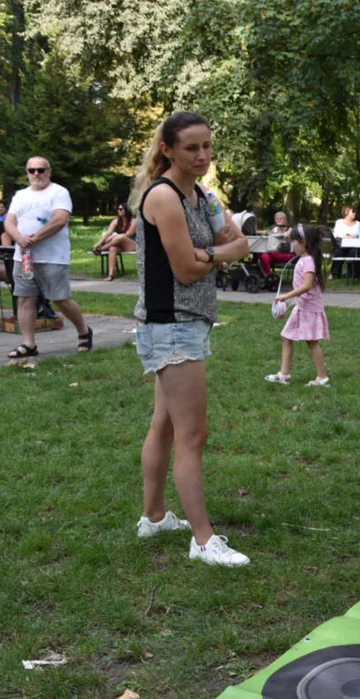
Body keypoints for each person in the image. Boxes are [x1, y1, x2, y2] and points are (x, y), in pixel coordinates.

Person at [130, 111, 252, 567]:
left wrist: (218, 247)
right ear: (167, 149)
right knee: (192, 435)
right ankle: (203, 540)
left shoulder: (200, 194)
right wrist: (220, 254)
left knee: (164, 425)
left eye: (207, 147)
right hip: (171, 324)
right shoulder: (163, 197)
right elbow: (186, 268)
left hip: (185, 322)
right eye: (191, 148)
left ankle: (155, 516)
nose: (202, 156)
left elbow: (236, 239)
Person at [4, 157, 92, 358]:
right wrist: (19, 238)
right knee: (25, 299)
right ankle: (28, 344)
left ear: (49, 171)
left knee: (60, 300)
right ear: (26, 172)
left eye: (40, 170)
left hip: (52, 256)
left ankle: (84, 332)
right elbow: (9, 222)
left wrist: (34, 239)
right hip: (24, 257)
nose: (36, 174)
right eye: (32, 170)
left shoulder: (59, 193)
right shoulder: (20, 196)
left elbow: (59, 220)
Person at [266, 227, 330, 386]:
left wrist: (286, 296)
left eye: (293, 242)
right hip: (302, 307)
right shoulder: (305, 258)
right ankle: (284, 374)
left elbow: (307, 285)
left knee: (312, 341)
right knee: (286, 337)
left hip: (308, 309)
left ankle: (322, 378)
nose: (291, 245)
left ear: (303, 243)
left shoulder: (308, 261)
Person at [92, 203, 136, 281]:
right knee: (113, 248)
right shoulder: (116, 221)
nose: (118, 211)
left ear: (126, 210)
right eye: (118, 209)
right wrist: (98, 243)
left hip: (132, 244)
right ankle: (111, 275)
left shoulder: (133, 221)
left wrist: (114, 236)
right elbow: (108, 233)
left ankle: (102, 249)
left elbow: (129, 234)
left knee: (121, 237)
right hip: (120, 244)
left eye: (121, 209)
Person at [330, 205, 360, 280]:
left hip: (353, 245)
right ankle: (334, 273)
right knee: (338, 252)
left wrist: (353, 237)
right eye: (353, 212)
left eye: (355, 212)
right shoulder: (339, 222)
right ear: (346, 212)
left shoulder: (358, 224)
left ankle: (352, 273)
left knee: (353, 252)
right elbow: (336, 234)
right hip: (342, 244)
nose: (355, 213)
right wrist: (346, 236)